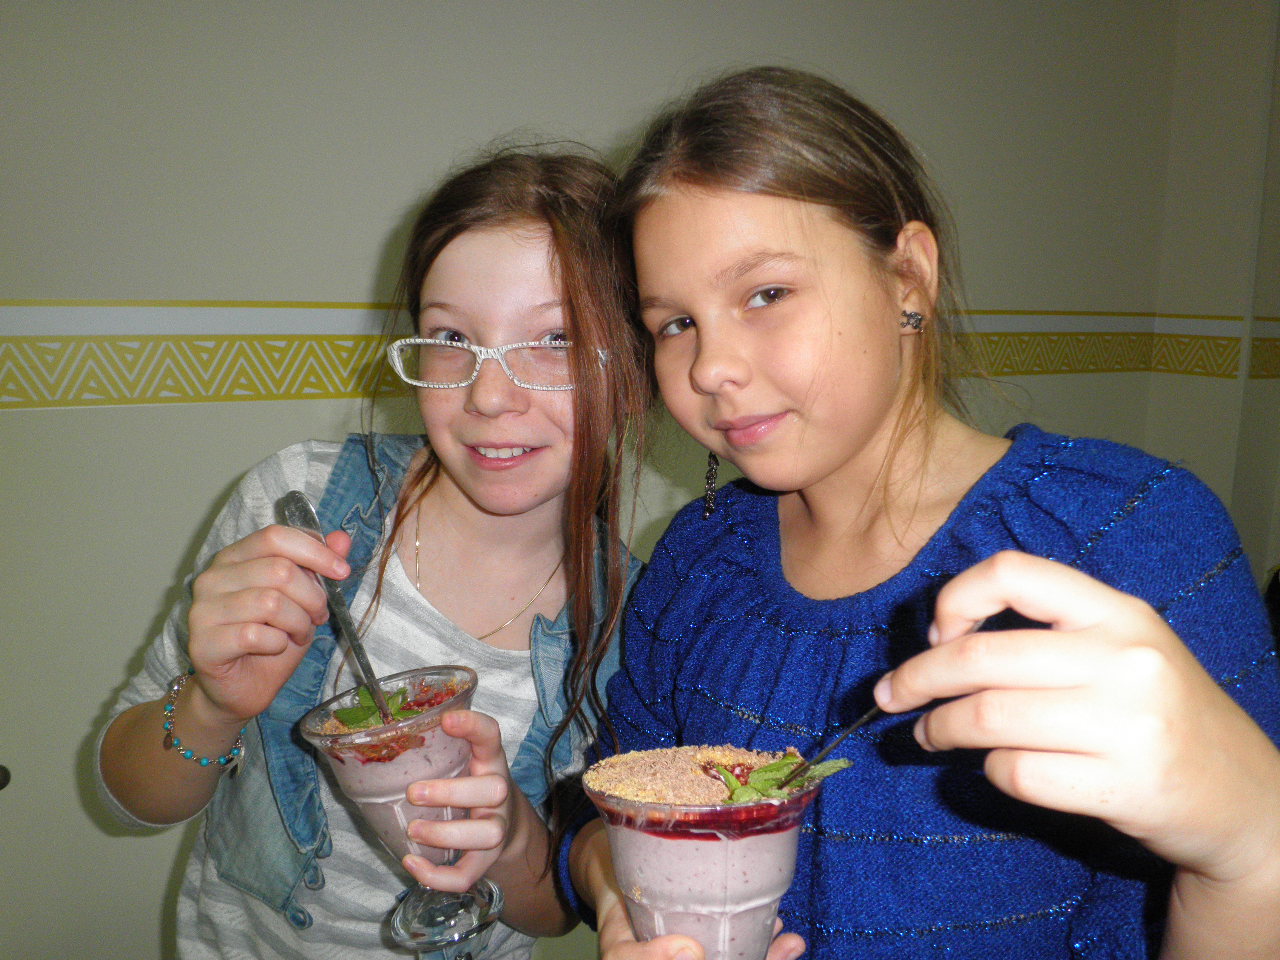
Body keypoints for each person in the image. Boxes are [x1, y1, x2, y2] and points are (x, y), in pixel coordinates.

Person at [564, 67, 1280, 960]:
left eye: (765, 294)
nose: (709, 367)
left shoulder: (1130, 536)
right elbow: (605, 814)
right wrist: (617, 889)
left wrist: (1255, 849)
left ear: (908, 276)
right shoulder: (693, 561)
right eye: (674, 324)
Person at [97, 147, 647, 960]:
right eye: (451, 337)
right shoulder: (298, 506)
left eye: (556, 339)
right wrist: (212, 706)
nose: (489, 395)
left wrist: (508, 837)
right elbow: (131, 796)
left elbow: (553, 912)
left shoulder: (638, 621)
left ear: (634, 365)